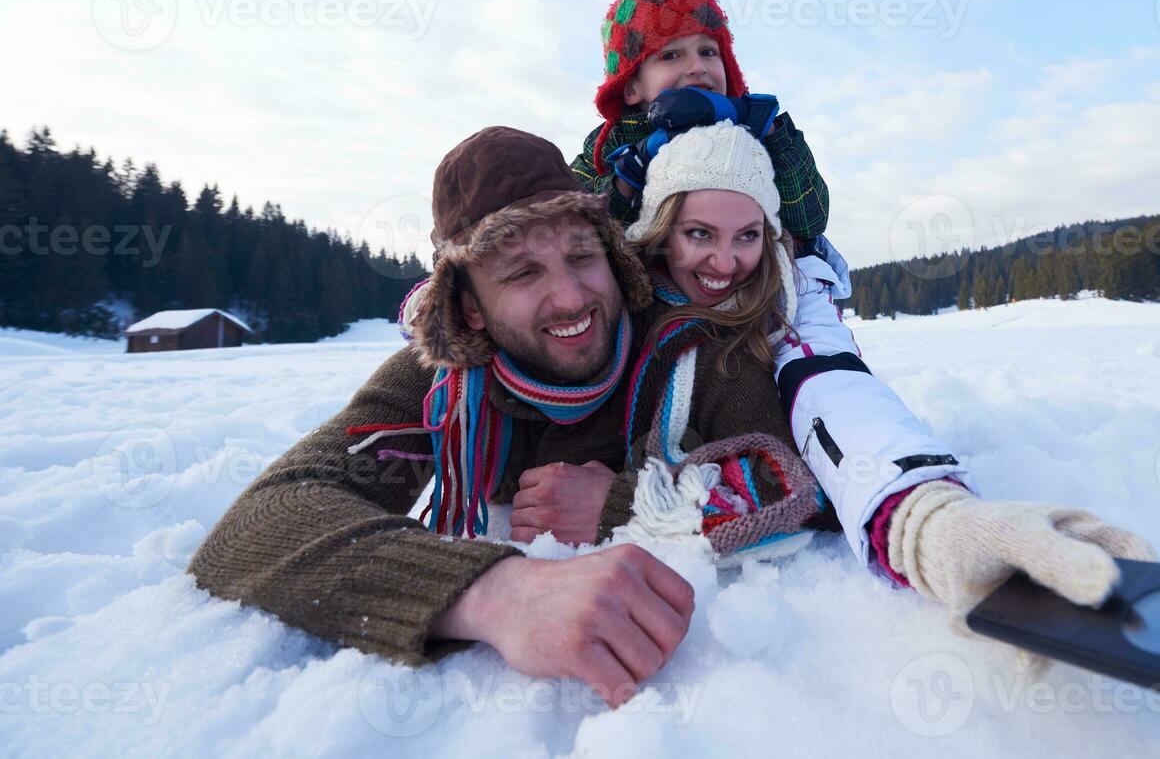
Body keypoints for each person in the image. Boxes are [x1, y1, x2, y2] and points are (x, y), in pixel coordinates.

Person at [187, 126, 835, 708]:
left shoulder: (694, 349)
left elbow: (788, 481)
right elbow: (267, 516)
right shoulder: (444, 380)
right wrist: (497, 593)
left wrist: (627, 505)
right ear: (470, 308)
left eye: (583, 256)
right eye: (523, 271)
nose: (571, 296)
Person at [545, 119, 1158, 622]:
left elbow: (816, 441)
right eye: (699, 233)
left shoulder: (752, 342)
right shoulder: (607, 302)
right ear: (660, 230)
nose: (725, 262)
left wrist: (927, 524)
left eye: (748, 235)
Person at [567, 0, 830, 247]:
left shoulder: (752, 134)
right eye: (671, 55)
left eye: (707, 52)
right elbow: (574, 229)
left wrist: (767, 129)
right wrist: (629, 174)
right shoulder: (608, 146)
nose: (697, 67)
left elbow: (810, 219)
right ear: (631, 87)